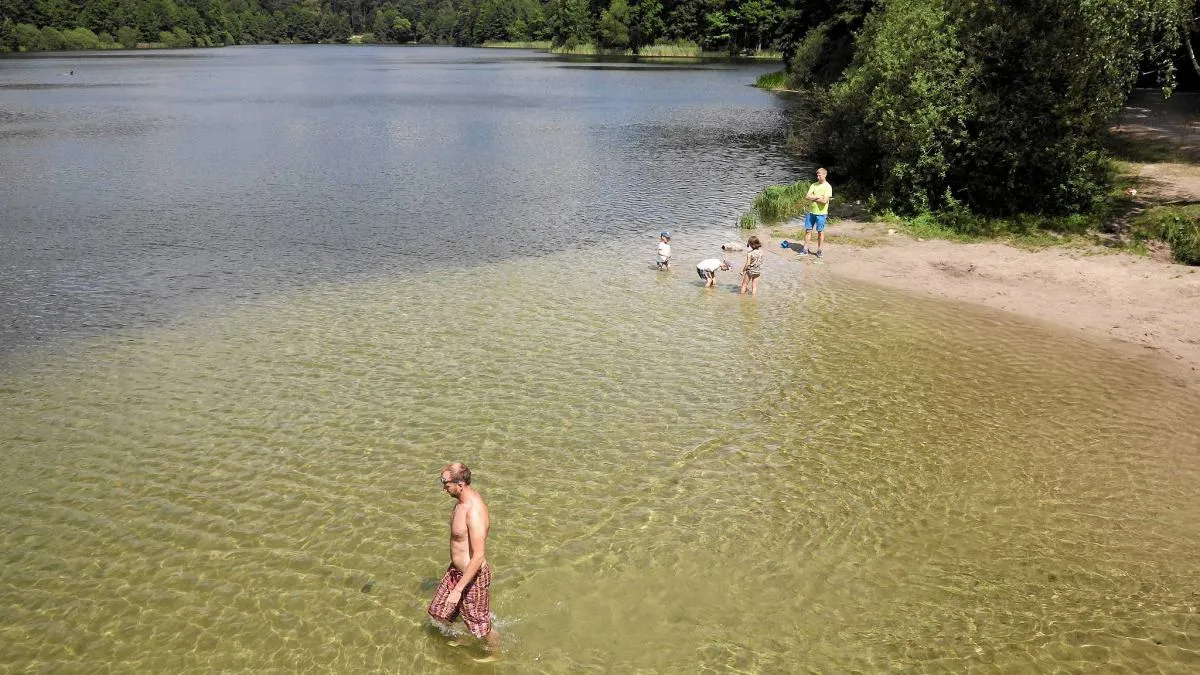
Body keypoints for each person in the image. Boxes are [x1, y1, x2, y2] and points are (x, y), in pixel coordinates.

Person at [428, 462, 499, 656]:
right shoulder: (459, 503)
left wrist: (458, 590)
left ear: (460, 484)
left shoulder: (474, 510)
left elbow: (478, 556)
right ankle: (463, 636)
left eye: (445, 482)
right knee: (437, 611)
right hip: (455, 571)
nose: (443, 487)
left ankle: (495, 656)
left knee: (481, 628)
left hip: (472, 577)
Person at [799, 167, 832, 258]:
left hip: (821, 213)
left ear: (825, 175)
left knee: (820, 232)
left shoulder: (828, 186)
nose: (817, 177)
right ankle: (805, 250)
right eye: (817, 175)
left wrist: (814, 197)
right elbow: (807, 196)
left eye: (819, 175)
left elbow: (824, 201)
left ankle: (819, 251)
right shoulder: (813, 185)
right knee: (808, 230)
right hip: (811, 212)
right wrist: (818, 197)